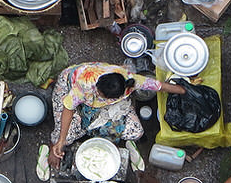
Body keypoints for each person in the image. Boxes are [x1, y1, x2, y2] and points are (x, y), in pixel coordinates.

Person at [48, 62, 186, 169]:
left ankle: (93, 128)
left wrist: (184, 90)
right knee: (66, 135)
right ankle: (53, 148)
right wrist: (61, 140)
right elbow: (68, 108)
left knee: (136, 132)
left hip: (97, 103)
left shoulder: (129, 80)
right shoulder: (85, 84)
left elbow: (158, 85)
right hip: (69, 86)